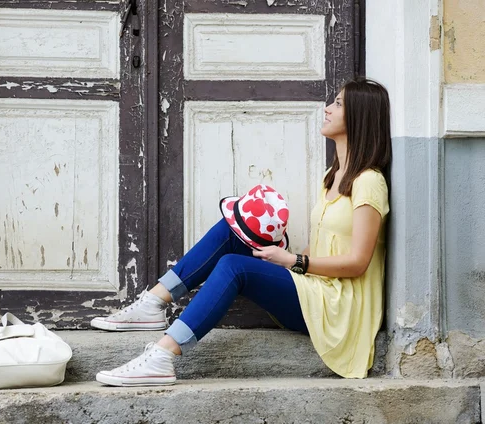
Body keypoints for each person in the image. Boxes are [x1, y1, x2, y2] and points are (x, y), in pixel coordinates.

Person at [92, 77, 392, 386]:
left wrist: (291, 261)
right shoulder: (334, 175)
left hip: (338, 309)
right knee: (234, 228)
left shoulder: (369, 181)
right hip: (314, 288)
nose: (328, 108)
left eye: (338, 104)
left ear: (358, 116)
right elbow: (324, 247)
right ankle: (155, 302)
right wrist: (282, 256)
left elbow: (358, 262)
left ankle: (163, 355)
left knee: (234, 267)